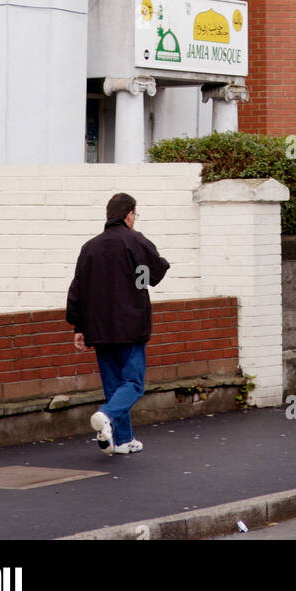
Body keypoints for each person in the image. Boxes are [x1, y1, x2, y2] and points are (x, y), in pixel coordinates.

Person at [66, 192, 170, 455]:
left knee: (114, 386)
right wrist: (161, 264)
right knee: (133, 383)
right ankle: (106, 415)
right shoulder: (134, 241)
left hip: (99, 329)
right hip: (131, 326)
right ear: (129, 214)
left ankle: (123, 441)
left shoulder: (90, 248)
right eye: (135, 214)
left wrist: (78, 327)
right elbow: (154, 274)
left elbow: (77, 289)